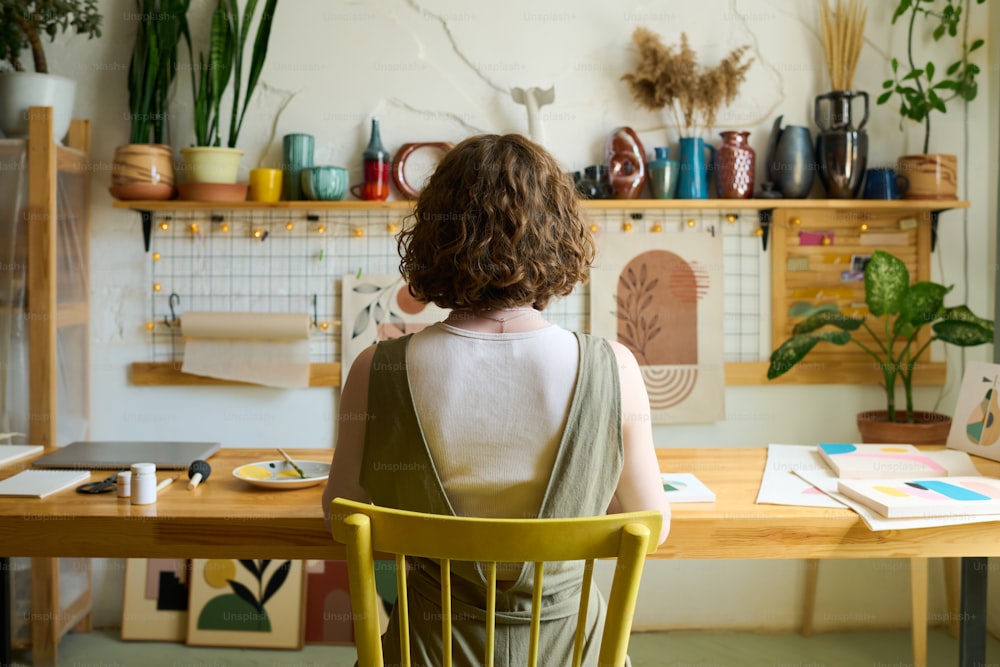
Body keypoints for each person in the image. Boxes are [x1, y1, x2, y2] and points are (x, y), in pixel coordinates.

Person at [322, 133, 670, 665]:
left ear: (437, 236)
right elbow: (652, 524)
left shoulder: (377, 370)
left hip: (427, 651)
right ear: (558, 236)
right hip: (573, 654)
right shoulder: (614, 369)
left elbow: (341, 516)